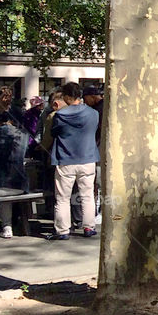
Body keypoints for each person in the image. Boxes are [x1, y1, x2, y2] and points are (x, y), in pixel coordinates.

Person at [47, 82, 100, 240]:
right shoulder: (93, 113)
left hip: (65, 159)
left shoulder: (61, 115)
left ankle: (63, 230)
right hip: (88, 158)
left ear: (68, 97)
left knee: (62, 198)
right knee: (87, 195)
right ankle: (89, 227)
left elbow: (54, 132)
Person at [0, 112, 29, 238]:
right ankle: (7, 227)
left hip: (1, 183)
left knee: (2, 191)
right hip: (19, 185)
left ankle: (7, 227)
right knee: (5, 196)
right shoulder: (23, 135)